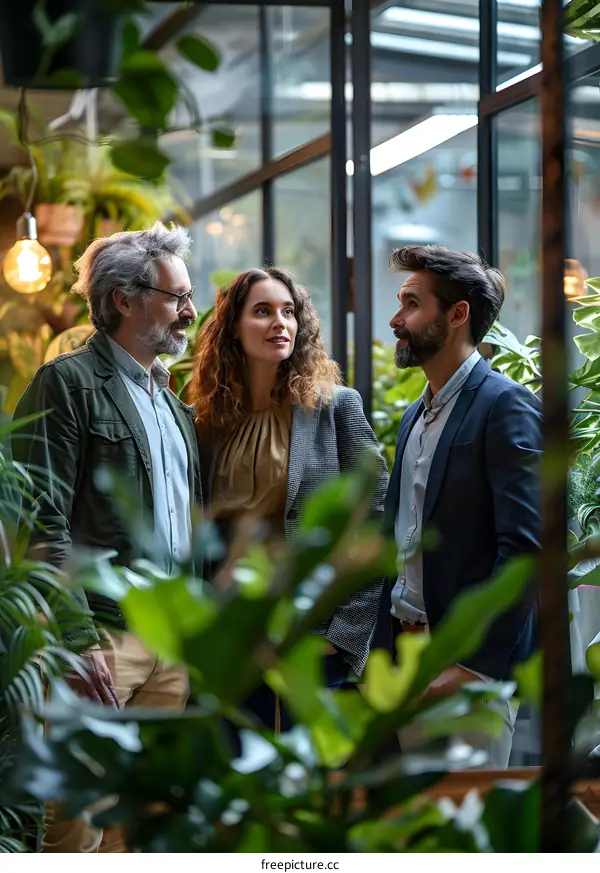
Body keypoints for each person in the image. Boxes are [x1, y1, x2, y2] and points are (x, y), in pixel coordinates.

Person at [12, 222, 201, 852]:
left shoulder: (172, 403)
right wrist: (75, 638)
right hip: (100, 636)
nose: (190, 311)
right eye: (177, 297)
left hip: (171, 639)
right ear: (124, 300)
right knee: (77, 828)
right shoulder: (65, 384)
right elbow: (38, 519)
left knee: (142, 829)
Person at [188, 266, 389, 730]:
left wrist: (341, 634)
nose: (279, 322)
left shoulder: (336, 407)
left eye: (288, 311)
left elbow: (376, 520)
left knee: (313, 768)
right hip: (231, 637)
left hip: (313, 634)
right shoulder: (204, 422)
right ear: (232, 328)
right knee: (237, 766)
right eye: (262, 311)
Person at [384, 245, 542, 769]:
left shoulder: (506, 404)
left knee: (467, 820)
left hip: (466, 672)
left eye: (411, 304)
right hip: (407, 657)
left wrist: (473, 668)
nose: (396, 319)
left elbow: (526, 550)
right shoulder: (415, 415)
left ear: (457, 314)